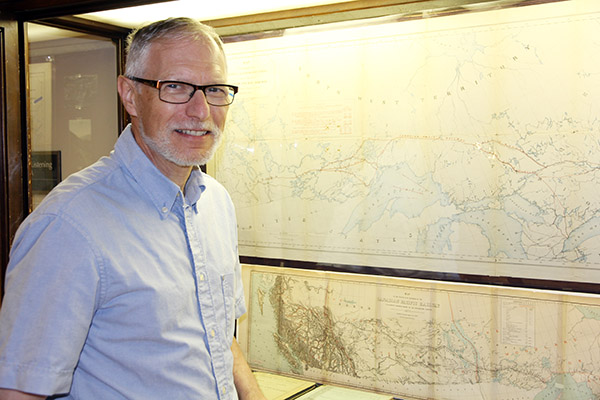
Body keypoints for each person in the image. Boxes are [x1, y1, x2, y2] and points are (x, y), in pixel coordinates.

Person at [0, 17, 265, 400]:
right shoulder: (68, 224)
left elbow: (219, 337)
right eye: (175, 87)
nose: (201, 110)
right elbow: (19, 391)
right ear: (129, 95)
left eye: (215, 89)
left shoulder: (216, 203)